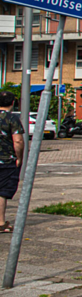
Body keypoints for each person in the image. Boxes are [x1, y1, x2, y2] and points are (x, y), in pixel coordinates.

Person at [0, 91, 25, 233]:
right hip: (5, 160)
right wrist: (19, 157)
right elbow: (18, 141)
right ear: (13, 103)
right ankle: (0, 223)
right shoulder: (12, 118)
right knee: (2, 191)